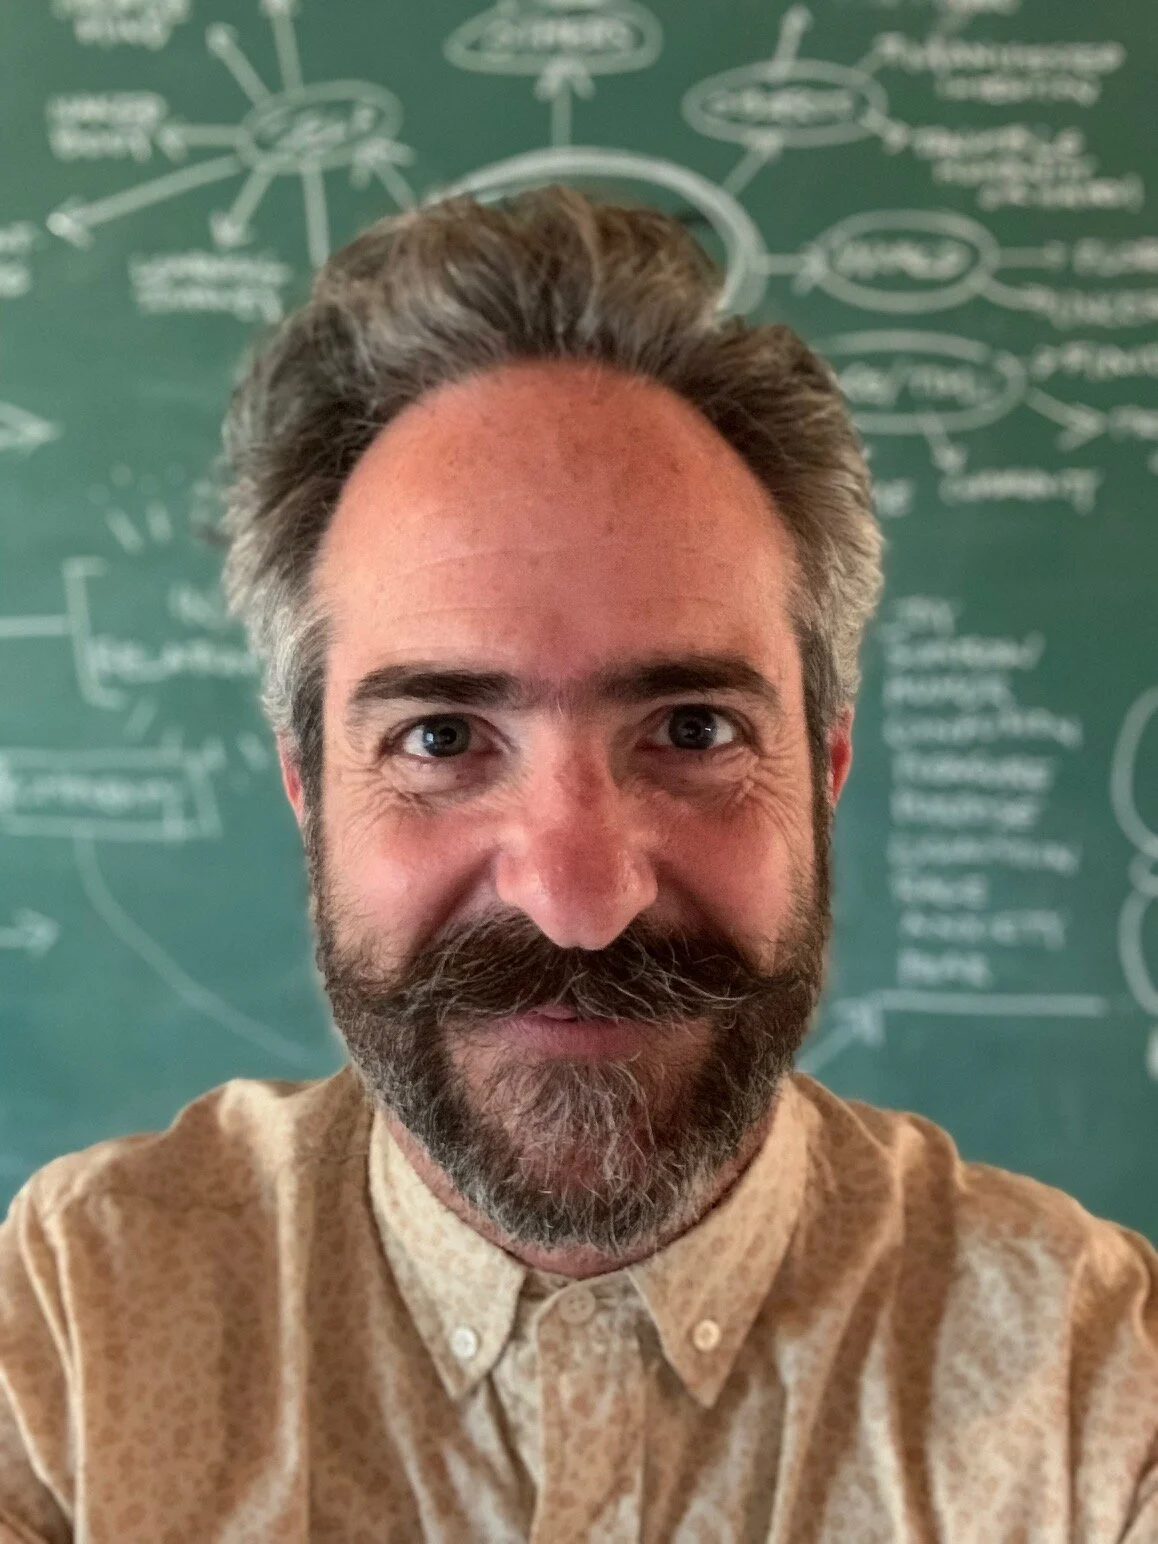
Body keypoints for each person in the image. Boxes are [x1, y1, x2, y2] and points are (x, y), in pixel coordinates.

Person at [1, 185, 1155, 1543]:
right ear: (306, 784)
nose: (578, 900)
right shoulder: (75, 1339)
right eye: (440, 737)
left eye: (690, 729)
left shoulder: (1091, 1387)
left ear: (826, 765)